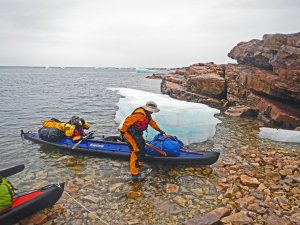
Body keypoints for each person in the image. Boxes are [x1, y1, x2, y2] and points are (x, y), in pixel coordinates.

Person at [119, 101, 165, 182]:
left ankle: (139, 165)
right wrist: (122, 133)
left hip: (136, 133)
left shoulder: (147, 114)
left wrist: (159, 130)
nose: (152, 112)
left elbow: (152, 123)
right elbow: (127, 122)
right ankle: (135, 175)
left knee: (142, 147)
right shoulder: (140, 113)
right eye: (152, 110)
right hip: (129, 133)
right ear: (149, 109)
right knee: (136, 151)